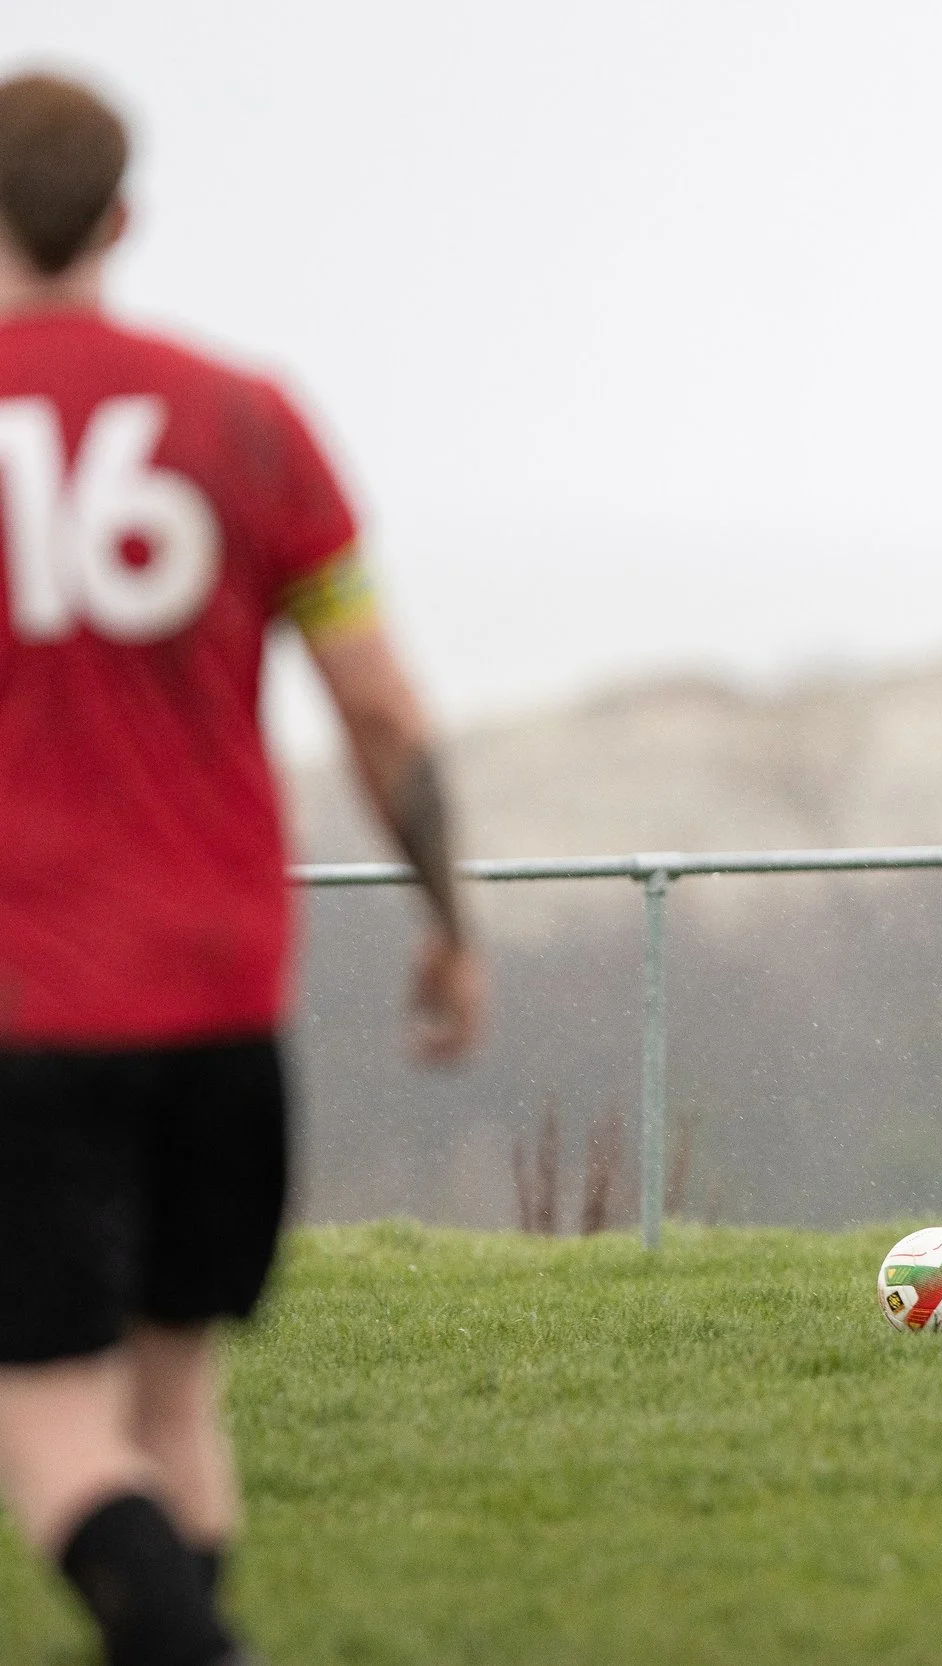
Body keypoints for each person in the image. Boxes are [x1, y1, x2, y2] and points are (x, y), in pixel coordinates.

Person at [0, 74, 483, 1666]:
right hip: (217, 998)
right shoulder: (247, 420)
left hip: (30, 1009)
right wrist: (446, 922)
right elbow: (381, 708)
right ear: (123, 218)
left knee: (56, 1426)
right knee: (175, 1396)